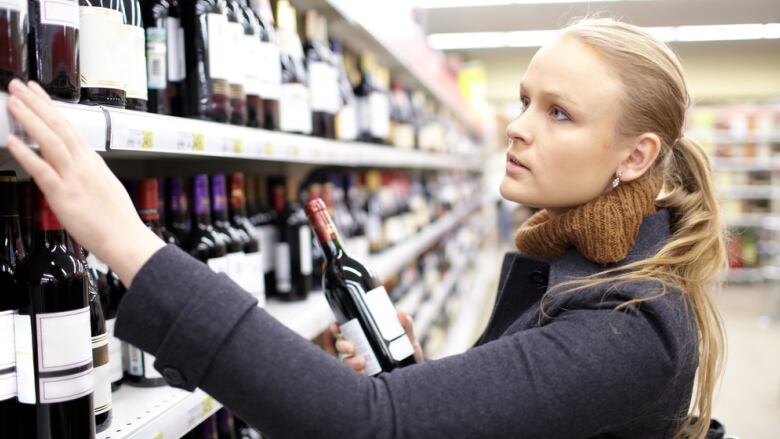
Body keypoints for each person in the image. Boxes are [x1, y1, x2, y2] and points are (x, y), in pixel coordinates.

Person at [4, 17, 726, 439]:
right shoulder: (588, 267)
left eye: (558, 113)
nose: (516, 127)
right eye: (524, 100)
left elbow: (363, 425)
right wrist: (416, 377)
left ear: (636, 157)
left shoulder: (627, 324)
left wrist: (130, 245)